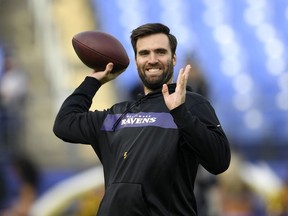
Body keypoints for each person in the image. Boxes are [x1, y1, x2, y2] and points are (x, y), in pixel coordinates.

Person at [53, 23, 231, 216]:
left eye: (160, 52)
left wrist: (180, 113)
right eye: (144, 53)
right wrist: (93, 81)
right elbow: (64, 123)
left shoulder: (191, 104)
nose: (152, 60)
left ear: (173, 58)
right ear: (136, 60)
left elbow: (219, 161)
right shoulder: (118, 114)